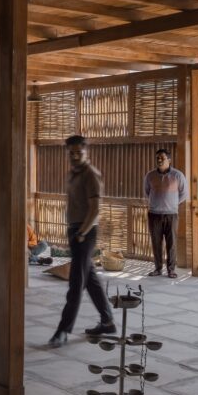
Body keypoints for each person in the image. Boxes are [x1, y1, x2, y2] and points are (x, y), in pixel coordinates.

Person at [49, 135, 115, 348]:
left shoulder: (91, 175)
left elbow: (95, 209)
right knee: (91, 280)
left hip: (85, 233)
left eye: (79, 152)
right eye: (71, 153)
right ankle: (107, 321)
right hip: (75, 230)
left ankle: (63, 330)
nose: (75, 156)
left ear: (86, 152)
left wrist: (82, 233)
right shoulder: (72, 174)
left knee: (76, 283)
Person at [144, 149, 188, 279]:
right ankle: (158, 269)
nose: (159, 160)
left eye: (162, 157)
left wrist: (172, 204)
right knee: (156, 242)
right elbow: (147, 192)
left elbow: (184, 194)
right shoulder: (150, 176)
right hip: (154, 214)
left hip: (171, 215)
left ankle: (171, 270)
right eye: (157, 157)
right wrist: (157, 204)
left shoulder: (178, 175)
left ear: (169, 160)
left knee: (172, 243)